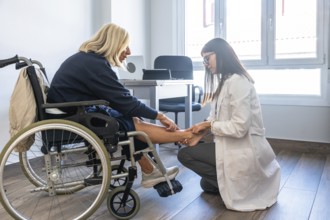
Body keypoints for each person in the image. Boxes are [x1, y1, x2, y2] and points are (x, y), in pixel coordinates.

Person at [47, 23, 195, 188]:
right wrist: (159, 115)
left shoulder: (90, 60)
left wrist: (143, 113)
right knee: (128, 122)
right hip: (71, 115)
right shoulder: (94, 64)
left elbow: (121, 101)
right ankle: (185, 136)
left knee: (130, 118)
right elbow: (126, 101)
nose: (129, 52)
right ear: (114, 44)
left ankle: (149, 169)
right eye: (126, 46)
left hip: (73, 110)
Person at [177, 38, 281, 211]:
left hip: (244, 149)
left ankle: (243, 183)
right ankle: (231, 183)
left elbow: (239, 127)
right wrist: (198, 135)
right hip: (231, 146)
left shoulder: (238, 82)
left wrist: (207, 127)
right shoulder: (225, 82)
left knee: (185, 156)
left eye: (207, 58)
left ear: (221, 54)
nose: (205, 64)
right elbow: (213, 118)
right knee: (206, 184)